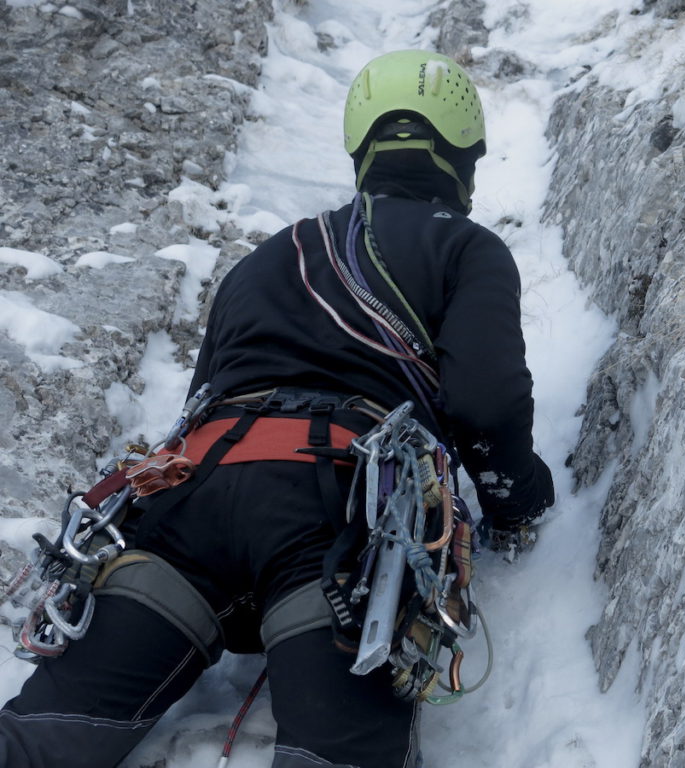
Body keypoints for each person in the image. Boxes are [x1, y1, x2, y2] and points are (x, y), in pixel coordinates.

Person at [0, 49, 554, 768]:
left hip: (187, 507)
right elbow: (486, 402)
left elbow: (201, 403)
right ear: (463, 158)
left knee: (37, 740)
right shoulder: (465, 247)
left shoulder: (264, 258)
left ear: (361, 151)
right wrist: (518, 502)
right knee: (335, 755)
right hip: (334, 523)